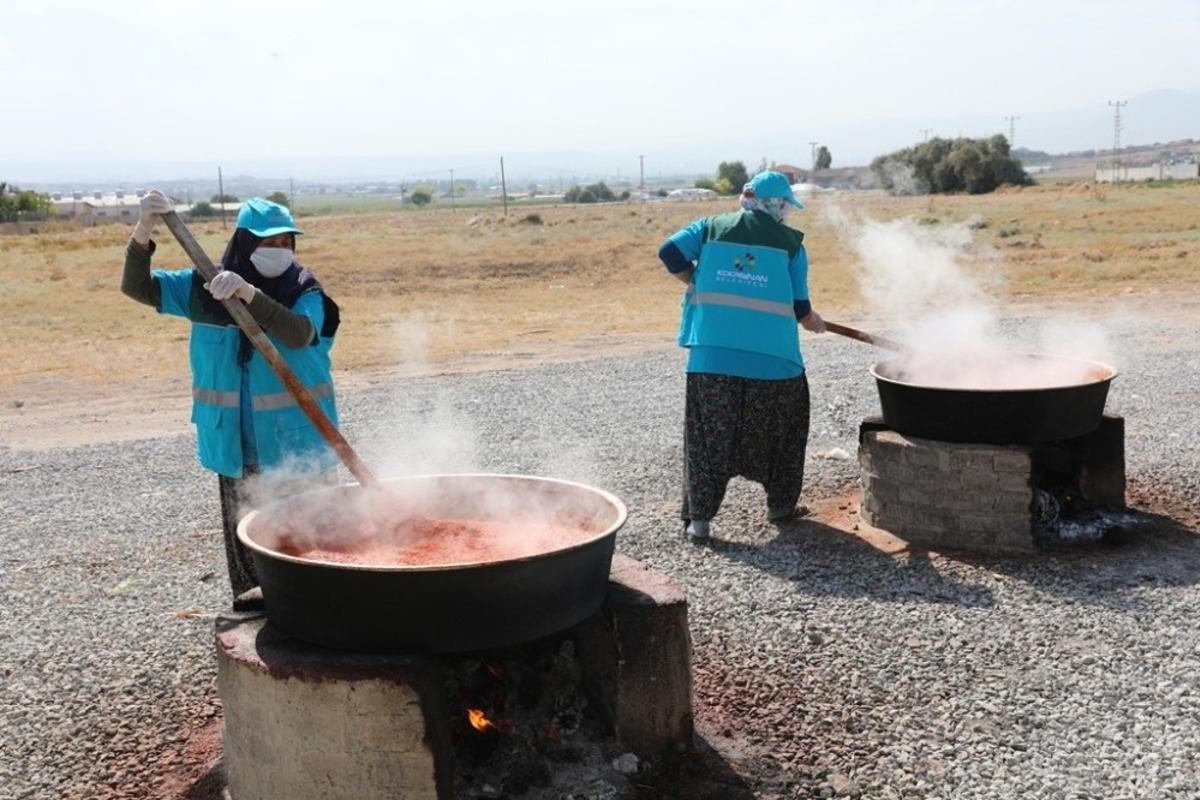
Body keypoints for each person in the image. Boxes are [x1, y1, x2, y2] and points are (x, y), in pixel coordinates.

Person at [121, 191, 342, 601]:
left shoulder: (304, 290)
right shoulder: (204, 290)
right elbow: (136, 286)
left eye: (285, 242)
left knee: (316, 540)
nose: (279, 250)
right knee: (250, 542)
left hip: (300, 443)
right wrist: (143, 232)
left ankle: (323, 611)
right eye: (268, 242)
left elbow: (298, 333)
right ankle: (261, 617)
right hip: (236, 446)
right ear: (244, 241)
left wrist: (250, 295)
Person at [657, 171, 825, 541]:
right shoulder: (792, 245)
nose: (787, 213)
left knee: (706, 440)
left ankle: (699, 523)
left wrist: (694, 278)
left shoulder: (709, 228)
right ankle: (780, 506)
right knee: (784, 432)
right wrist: (814, 322)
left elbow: (669, 252)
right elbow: (800, 308)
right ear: (778, 205)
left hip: (711, 361)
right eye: (786, 206)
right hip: (775, 364)